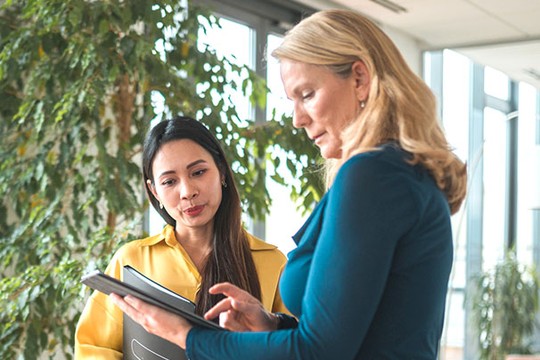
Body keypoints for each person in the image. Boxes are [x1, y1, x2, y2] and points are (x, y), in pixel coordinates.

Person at [110, 9, 468, 359]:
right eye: (292, 101)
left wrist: (185, 336)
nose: (297, 119)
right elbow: (360, 333)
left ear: (359, 79)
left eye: (307, 94)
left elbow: (316, 352)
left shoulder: (373, 175)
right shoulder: (401, 171)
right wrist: (272, 325)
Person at [74, 116, 289, 358]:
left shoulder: (273, 262)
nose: (187, 192)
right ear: (154, 191)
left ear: (222, 173)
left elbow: (299, 348)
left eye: (198, 172)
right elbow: (92, 348)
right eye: (169, 181)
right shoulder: (131, 261)